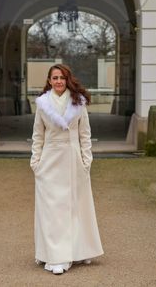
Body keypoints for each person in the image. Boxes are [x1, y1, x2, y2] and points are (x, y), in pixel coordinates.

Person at [30, 64, 104, 275]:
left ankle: (73, 252)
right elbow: (38, 136)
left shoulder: (78, 103)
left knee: (73, 208)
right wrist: (35, 162)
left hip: (73, 161)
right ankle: (52, 254)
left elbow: (85, 135)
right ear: (49, 81)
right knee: (51, 210)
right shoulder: (43, 105)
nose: (59, 81)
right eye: (55, 78)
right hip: (49, 162)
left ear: (67, 79)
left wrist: (86, 160)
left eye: (62, 77)